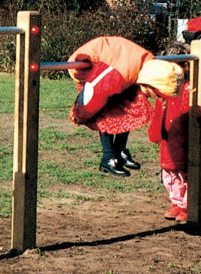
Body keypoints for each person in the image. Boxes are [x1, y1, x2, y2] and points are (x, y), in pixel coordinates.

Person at [67, 36, 184, 177]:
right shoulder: (117, 78)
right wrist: (78, 115)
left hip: (117, 61)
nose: (155, 98)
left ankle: (119, 150)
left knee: (133, 105)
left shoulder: (149, 64)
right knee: (107, 113)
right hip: (88, 65)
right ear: (150, 83)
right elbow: (93, 96)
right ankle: (109, 157)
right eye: (155, 94)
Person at [146, 55, 201, 224]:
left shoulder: (191, 89)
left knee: (185, 174)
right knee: (170, 174)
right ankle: (177, 203)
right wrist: (155, 132)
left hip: (185, 137)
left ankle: (189, 205)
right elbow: (159, 113)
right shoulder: (164, 91)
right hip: (169, 139)